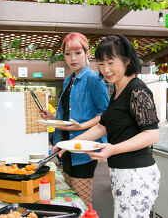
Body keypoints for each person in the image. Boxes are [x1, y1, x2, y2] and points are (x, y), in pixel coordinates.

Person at [55, 34, 160, 217]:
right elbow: (102, 126)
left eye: (111, 62)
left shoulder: (137, 90)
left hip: (137, 173)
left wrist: (113, 148)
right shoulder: (117, 90)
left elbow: (151, 135)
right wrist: (67, 145)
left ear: (127, 60)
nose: (105, 69)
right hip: (120, 171)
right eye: (101, 64)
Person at [40, 32, 109, 206]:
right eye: (68, 54)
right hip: (65, 144)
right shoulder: (68, 80)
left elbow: (105, 116)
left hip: (83, 148)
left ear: (87, 53)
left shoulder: (95, 78)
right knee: (69, 197)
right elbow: (69, 113)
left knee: (81, 200)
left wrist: (81, 126)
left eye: (78, 53)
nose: (73, 58)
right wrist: (52, 116)